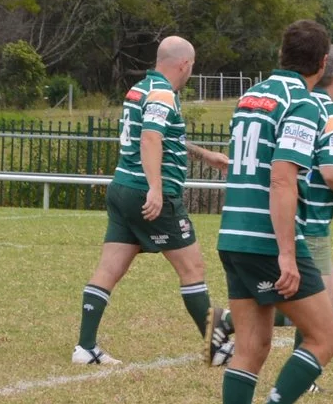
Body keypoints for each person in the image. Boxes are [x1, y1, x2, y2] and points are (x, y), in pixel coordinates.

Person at [213, 19, 333, 404]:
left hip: (233, 233)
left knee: (251, 346)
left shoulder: (252, 95)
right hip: (267, 240)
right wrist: (288, 255)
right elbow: (283, 177)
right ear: (323, 63)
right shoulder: (304, 103)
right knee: (325, 337)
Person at [72, 34, 234, 367]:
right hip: (144, 192)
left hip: (122, 188)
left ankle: (85, 347)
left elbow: (158, 135)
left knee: (109, 268)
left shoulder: (142, 89)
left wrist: (204, 156)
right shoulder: (163, 93)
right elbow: (149, 138)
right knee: (193, 268)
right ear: (184, 64)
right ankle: (215, 348)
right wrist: (156, 188)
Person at [291, 46, 333, 323]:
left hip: (286, 212)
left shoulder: (296, 105)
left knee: (327, 296)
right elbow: (331, 172)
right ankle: (232, 321)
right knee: (324, 304)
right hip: (311, 218)